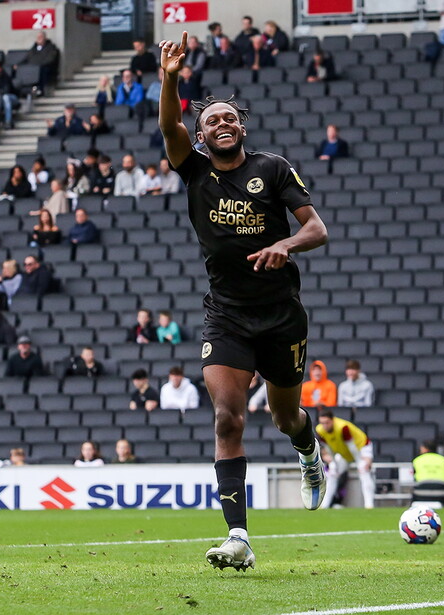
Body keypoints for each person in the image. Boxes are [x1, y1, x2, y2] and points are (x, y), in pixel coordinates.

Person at [158, 32, 330, 570]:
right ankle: (238, 536)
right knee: (227, 419)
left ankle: (308, 450)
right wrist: (170, 79)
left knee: (283, 417)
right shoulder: (194, 170)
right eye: (212, 121)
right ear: (202, 136)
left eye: (230, 117)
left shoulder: (273, 169)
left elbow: (317, 229)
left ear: (243, 127)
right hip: (227, 314)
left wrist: (284, 243)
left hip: (281, 315)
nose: (223, 124)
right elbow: (169, 126)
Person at [316, 409, 375, 509]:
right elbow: (328, 448)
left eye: (327, 423)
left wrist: (360, 462)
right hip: (344, 453)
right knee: (332, 472)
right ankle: (324, 505)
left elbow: (352, 447)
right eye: (322, 423)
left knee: (363, 470)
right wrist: (333, 463)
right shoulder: (320, 430)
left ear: (332, 420)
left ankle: (369, 505)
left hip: (361, 448)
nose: (325, 426)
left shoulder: (343, 427)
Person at [412, 441, 444, 507]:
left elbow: (414, 476)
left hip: (421, 492)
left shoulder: (417, 460)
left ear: (425, 449)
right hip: (443, 492)